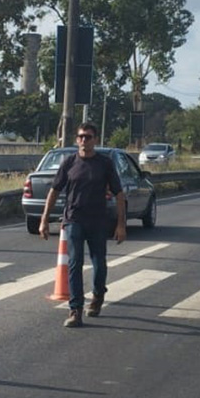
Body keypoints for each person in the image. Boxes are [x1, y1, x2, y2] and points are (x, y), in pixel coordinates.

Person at [38, 122, 127, 327]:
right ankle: (75, 309)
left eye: (88, 136)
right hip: (73, 219)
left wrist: (121, 225)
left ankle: (97, 295)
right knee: (74, 263)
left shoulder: (104, 164)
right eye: (81, 137)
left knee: (99, 264)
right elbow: (54, 191)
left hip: (97, 220)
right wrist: (44, 220)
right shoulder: (69, 162)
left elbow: (119, 194)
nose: (84, 140)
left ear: (95, 139)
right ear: (77, 140)